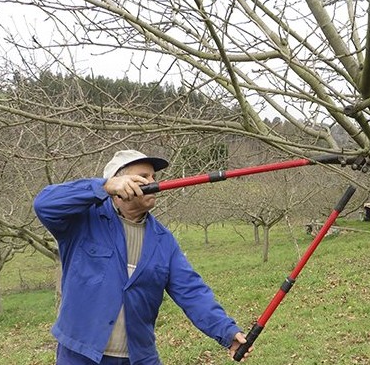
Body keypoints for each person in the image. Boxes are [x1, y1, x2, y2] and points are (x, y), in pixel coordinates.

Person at [34, 149, 251, 365]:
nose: (153, 181)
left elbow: (192, 292)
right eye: (144, 176)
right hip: (81, 354)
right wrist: (103, 186)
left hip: (139, 357)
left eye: (153, 177)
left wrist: (227, 331)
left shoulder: (163, 240)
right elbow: (44, 204)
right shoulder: (82, 222)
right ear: (120, 182)